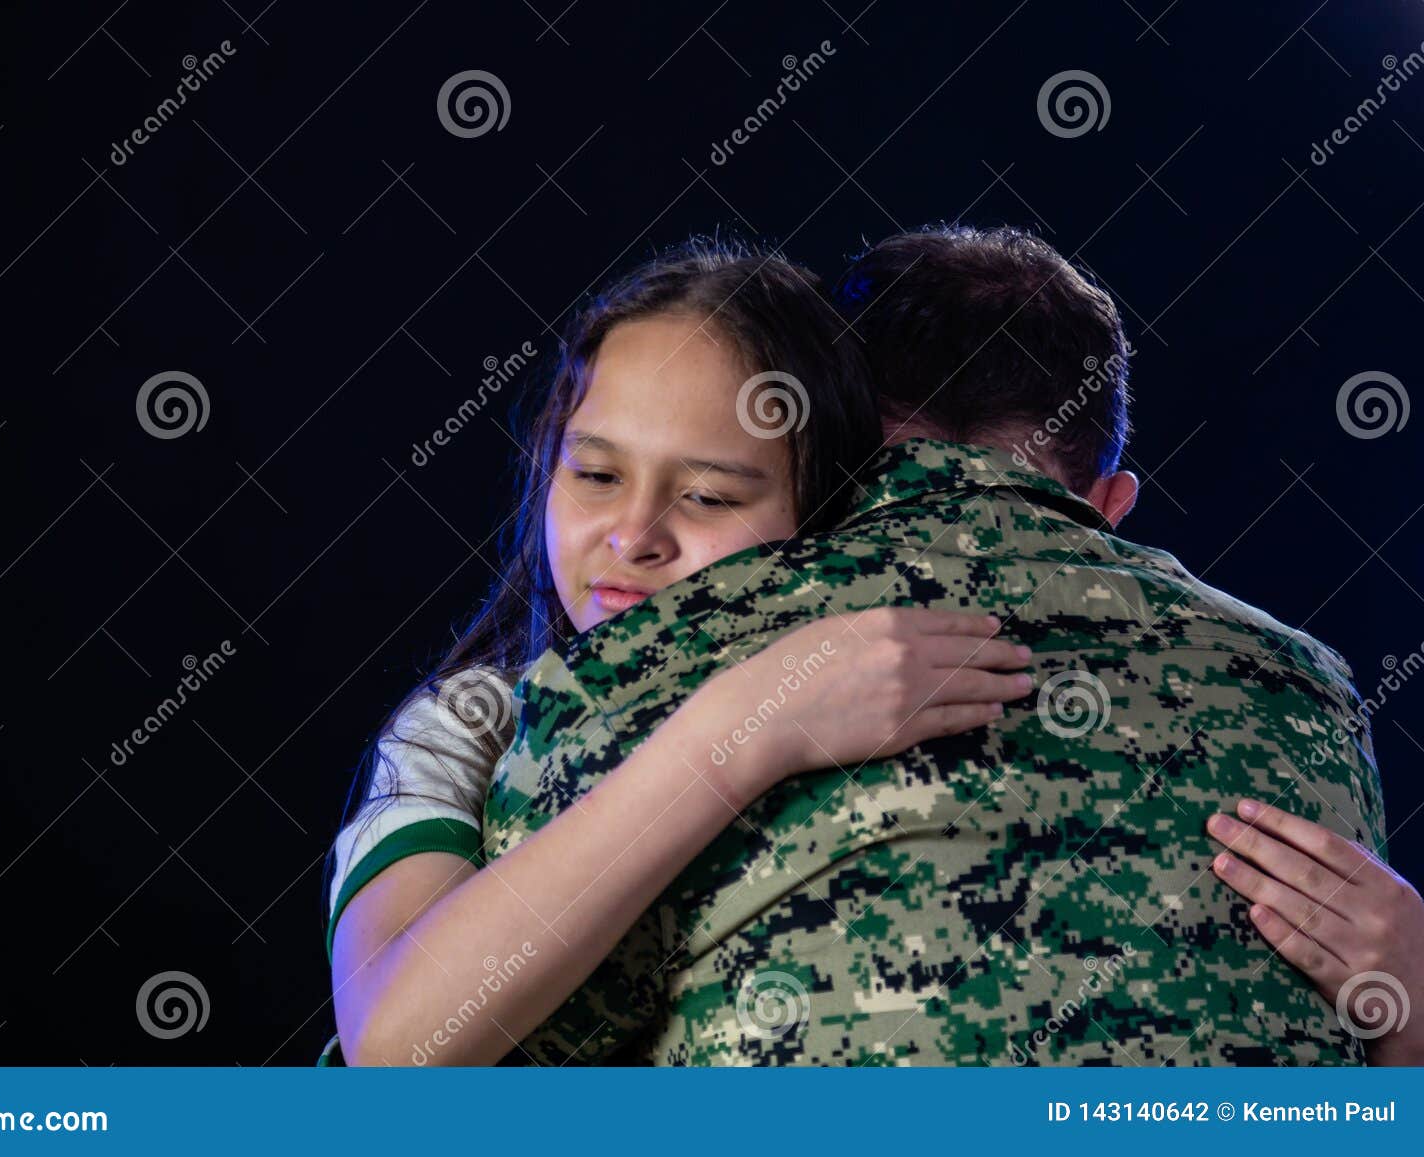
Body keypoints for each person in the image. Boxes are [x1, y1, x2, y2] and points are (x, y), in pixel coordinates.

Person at [477, 225, 1396, 1065]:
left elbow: (483, 1057)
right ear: (1111, 506)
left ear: (819, 461)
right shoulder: (1306, 687)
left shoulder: (661, 649)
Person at [321, 240, 1034, 1065]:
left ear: (826, 508)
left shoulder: (904, 675)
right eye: (594, 474)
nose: (635, 535)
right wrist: (738, 733)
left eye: (707, 496)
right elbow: (396, 1043)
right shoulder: (468, 727)